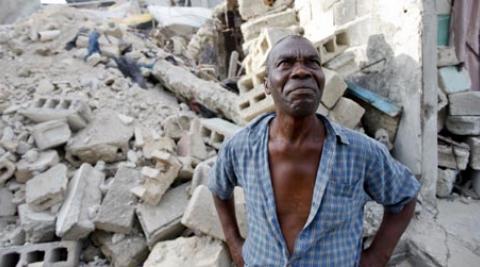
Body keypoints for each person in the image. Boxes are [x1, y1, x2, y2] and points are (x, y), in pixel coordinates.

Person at [208, 35, 420, 267]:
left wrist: (376, 257)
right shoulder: (240, 148)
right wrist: (235, 246)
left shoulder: (361, 152)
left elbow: (405, 195)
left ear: (321, 78)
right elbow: (219, 189)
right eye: (285, 64)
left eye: (312, 63)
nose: (301, 72)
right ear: (267, 85)